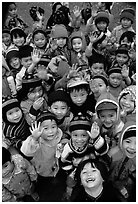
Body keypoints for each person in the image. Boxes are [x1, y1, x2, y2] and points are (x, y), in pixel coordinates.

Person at [60, 113, 109, 200]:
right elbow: (64, 162)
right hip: (75, 169)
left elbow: (103, 151)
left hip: (92, 167)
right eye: (75, 135)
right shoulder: (68, 148)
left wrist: (96, 138)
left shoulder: (92, 143)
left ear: (89, 135)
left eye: (84, 135)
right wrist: (71, 170)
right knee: (71, 180)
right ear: (70, 134)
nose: (79, 139)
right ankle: (69, 189)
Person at [20, 111, 68, 200]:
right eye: (45, 128)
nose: (50, 131)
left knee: (57, 183)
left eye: (53, 127)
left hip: (55, 167)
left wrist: (64, 143)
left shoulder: (59, 135)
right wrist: (34, 138)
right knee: (44, 187)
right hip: (41, 170)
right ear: (38, 129)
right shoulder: (36, 139)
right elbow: (26, 152)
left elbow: (65, 139)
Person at [108, 121, 136, 202]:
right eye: (128, 141)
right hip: (110, 186)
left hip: (127, 189)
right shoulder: (113, 154)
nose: (132, 147)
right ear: (121, 140)